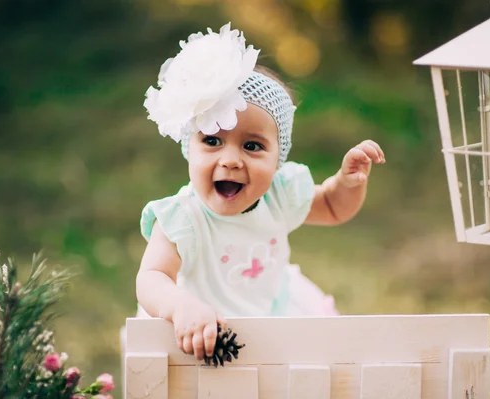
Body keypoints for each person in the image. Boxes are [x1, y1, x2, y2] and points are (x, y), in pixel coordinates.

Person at [135, 23, 385, 362]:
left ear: (278, 158)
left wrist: (346, 182)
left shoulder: (279, 195)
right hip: (203, 328)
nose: (231, 160)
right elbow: (152, 277)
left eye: (252, 145)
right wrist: (181, 306)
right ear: (189, 147)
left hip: (278, 312)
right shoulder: (182, 217)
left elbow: (332, 207)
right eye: (212, 140)